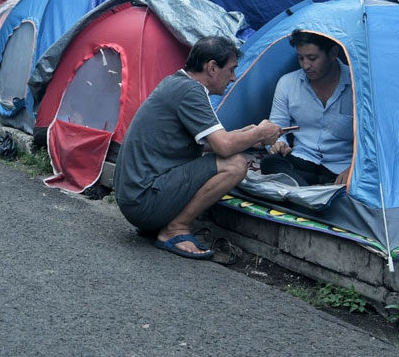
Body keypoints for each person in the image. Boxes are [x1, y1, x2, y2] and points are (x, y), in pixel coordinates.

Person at [113, 36, 283, 260]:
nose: (233, 78)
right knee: (235, 165)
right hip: (144, 201)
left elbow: (206, 146)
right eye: (231, 70)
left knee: (229, 155)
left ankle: (164, 224)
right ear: (212, 67)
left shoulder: (177, 83)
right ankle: (175, 229)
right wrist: (260, 132)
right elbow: (223, 147)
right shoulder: (191, 91)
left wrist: (246, 136)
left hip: (134, 198)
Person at [263, 30, 354, 187]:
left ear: (333, 53)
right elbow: (276, 127)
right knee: (270, 163)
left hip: (341, 166)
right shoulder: (288, 83)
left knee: (361, 182)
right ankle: (313, 191)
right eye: (300, 58)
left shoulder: (358, 87)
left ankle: (301, 191)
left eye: (312, 58)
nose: (306, 65)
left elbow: (374, 141)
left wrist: (353, 169)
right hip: (303, 159)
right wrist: (279, 143)